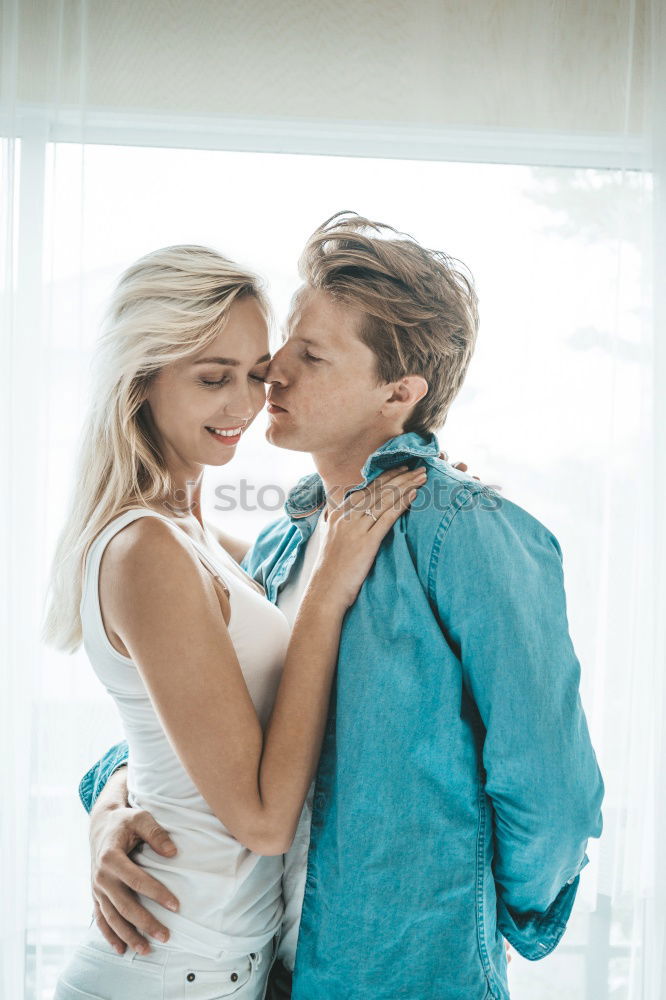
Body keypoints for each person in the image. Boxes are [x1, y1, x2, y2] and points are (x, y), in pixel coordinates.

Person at [75, 213, 604, 1000]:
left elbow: (554, 793)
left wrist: (465, 920)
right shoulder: (280, 546)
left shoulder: (467, 533)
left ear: (399, 392)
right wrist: (109, 804)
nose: (272, 373)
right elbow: (211, 716)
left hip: (400, 979)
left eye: (310, 354)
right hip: (266, 975)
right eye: (283, 344)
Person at [44, 242, 426, 1000]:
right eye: (213, 379)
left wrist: (112, 794)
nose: (245, 406)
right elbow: (261, 822)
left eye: (255, 375)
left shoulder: (194, 535)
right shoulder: (144, 549)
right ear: (140, 380)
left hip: (216, 969)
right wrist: (324, 597)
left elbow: (178, 727)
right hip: (164, 972)